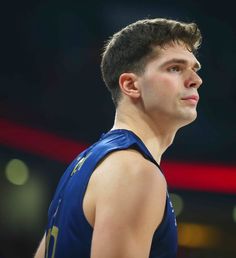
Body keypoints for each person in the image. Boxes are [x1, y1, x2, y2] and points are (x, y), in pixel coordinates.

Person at [34, 18, 202, 258]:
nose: (196, 80)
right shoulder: (135, 171)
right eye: (175, 68)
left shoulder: (85, 164)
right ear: (131, 84)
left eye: (195, 69)